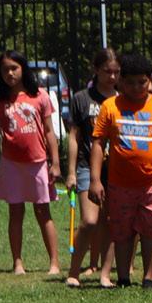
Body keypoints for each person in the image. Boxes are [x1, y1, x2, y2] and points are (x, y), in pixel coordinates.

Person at [89, 53, 152, 289]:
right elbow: (98, 144)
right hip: (120, 183)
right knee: (122, 231)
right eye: (130, 82)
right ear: (121, 81)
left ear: (150, 80)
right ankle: (123, 277)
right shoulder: (110, 107)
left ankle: (149, 277)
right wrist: (95, 179)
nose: (136, 87)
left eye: (142, 82)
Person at [0, 51, 62, 275]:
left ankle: (54, 263)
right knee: (16, 212)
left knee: (43, 211)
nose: (10, 73)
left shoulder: (39, 96)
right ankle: (17, 263)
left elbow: (49, 131)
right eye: (5, 70)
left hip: (37, 162)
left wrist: (55, 162)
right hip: (11, 164)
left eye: (14, 68)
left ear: (23, 69)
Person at [65, 49, 120, 288]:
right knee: (89, 221)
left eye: (116, 72)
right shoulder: (81, 99)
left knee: (110, 222)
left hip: (116, 168)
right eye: (107, 71)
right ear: (96, 70)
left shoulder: (122, 99)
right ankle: (74, 272)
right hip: (87, 166)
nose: (112, 77)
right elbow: (74, 136)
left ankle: (105, 274)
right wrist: (70, 172)